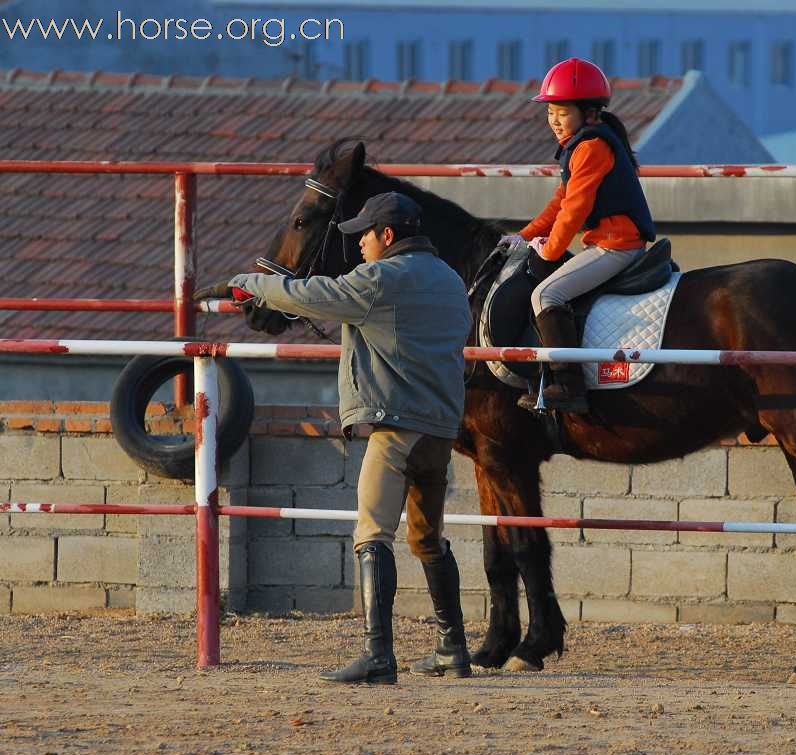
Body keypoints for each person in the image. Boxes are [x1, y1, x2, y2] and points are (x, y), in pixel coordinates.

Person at [194, 192, 474, 683]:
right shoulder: (450, 280)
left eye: (365, 234)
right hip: (440, 431)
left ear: (388, 236)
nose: (360, 244)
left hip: (395, 426)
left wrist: (248, 284)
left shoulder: (381, 278)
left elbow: (309, 295)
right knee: (428, 538)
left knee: (371, 533)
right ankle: (453, 647)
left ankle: (378, 655)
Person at [498, 57, 656, 414]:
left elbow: (574, 212)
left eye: (563, 112)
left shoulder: (591, 147)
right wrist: (523, 237)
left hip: (616, 246)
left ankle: (569, 385)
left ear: (589, 113)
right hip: (606, 242)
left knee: (546, 295)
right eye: (551, 111)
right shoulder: (581, 145)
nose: (554, 120)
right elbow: (560, 202)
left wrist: (547, 254)